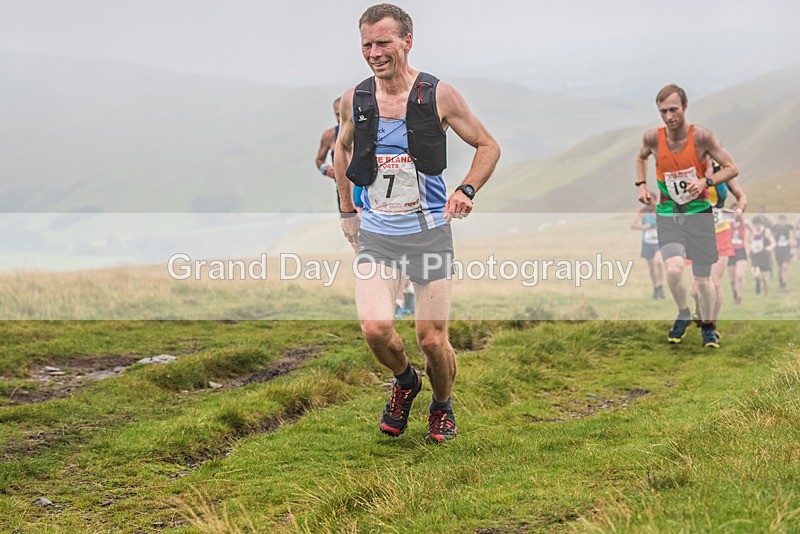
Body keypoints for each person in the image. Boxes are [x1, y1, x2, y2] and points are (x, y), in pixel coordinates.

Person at [334, 3, 500, 442]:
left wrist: (466, 189)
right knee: (375, 328)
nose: (375, 52)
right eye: (367, 44)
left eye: (384, 42)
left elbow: (487, 146)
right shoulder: (358, 98)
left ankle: (442, 406)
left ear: (407, 41)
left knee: (431, 339)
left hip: (428, 234)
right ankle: (406, 381)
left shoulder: (437, 94)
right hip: (378, 235)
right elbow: (342, 149)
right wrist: (347, 211)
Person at [636, 84, 738, 348]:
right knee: (672, 269)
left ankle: (707, 327)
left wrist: (706, 181)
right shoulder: (652, 138)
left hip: (700, 215)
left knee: (703, 280)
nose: (669, 116)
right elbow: (641, 157)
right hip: (669, 214)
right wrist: (642, 185)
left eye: (673, 109)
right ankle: (683, 312)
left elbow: (731, 168)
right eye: (663, 111)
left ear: (685, 107)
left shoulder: (702, 137)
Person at [315, 97, 364, 215]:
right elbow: (319, 159)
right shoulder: (329, 136)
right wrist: (325, 169)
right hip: (344, 191)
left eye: (346, 113)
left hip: (366, 188)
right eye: (338, 114)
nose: (342, 117)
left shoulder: (364, 133)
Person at [630, 195, 665, 299]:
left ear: (655, 200)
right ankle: (655, 287)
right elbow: (632, 225)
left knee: (659, 262)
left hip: (658, 242)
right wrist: (642, 227)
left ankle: (660, 286)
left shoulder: (660, 210)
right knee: (651, 267)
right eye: (646, 201)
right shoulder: (642, 212)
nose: (649, 203)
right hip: (647, 241)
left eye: (650, 201)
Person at [727, 204, 752, 305]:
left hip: (741, 250)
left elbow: (753, 230)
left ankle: (739, 297)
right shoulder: (727, 222)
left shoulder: (744, 222)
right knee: (732, 280)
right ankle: (735, 292)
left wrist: (750, 241)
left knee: (740, 276)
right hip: (730, 251)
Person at [749, 217, 776, 296]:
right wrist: (748, 250)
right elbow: (747, 242)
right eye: (755, 225)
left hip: (764, 256)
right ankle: (757, 282)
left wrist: (769, 248)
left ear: (761, 224)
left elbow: (773, 242)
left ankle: (766, 295)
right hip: (755, 256)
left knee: (766, 279)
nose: (757, 226)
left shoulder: (766, 231)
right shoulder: (751, 232)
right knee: (755, 275)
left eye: (758, 224)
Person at [772, 215, 796, 292]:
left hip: (786, 250)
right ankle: (781, 283)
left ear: (785, 221)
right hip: (778, 250)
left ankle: (784, 284)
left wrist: (792, 240)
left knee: (785, 267)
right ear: (778, 221)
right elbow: (771, 236)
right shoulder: (775, 228)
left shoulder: (788, 227)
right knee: (780, 268)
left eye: (783, 221)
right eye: (780, 221)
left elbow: (794, 231)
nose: (782, 222)